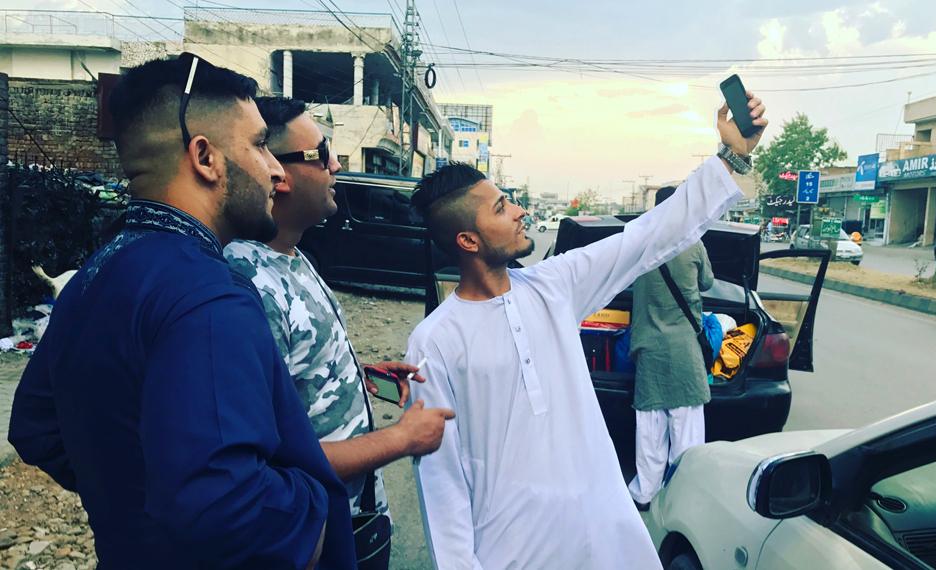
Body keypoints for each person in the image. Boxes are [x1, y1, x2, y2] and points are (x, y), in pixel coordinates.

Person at [8, 55, 356, 569]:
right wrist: (315, 514)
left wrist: (137, 507)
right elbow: (232, 512)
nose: (276, 169)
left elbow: (37, 426)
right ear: (205, 157)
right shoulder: (209, 298)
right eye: (261, 145)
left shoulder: (99, 270)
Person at [405, 95, 768, 568]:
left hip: (604, 538)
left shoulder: (554, 286)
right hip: (511, 551)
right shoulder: (435, 340)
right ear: (468, 240)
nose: (517, 211)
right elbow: (442, 479)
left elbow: (648, 236)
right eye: (500, 208)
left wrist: (731, 158)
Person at [224, 97, 455, 569]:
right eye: (321, 152)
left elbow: (290, 376)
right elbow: (266, 460)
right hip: (313, 534)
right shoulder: (247, 284)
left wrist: (351, 373)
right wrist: (405, 438)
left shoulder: (291, 256)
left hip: (352, 517)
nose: (335, 164)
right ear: (275, 171)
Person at [627, 185, 715, 511]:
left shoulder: (641, 245)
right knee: (686, 428)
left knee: (649, 427)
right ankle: (682, 497)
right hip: (683, 347)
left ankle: (644, 493)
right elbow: (707, 282)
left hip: (648, 346)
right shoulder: (693, 243)